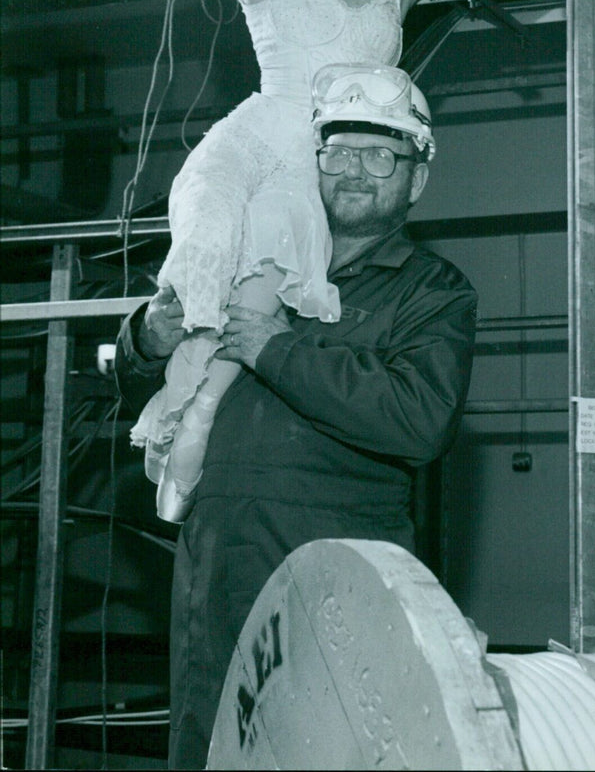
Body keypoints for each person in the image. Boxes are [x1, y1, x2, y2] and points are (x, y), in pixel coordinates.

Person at [128, 0, 483, 524]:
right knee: (205, 296)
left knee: (253, 331)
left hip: (320, 179)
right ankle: (174, 435)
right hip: (259, 152)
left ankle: (186, 434)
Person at [115, 64, 478, 770]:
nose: (356, 170)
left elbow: (420, 417)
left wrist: (276, 347)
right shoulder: (248, 253)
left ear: (416, 179)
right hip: (212, 579)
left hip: (333, 590)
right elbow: (143, 396)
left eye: (382, 155)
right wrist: (144, 338)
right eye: (341, 150)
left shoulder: (432, 292)